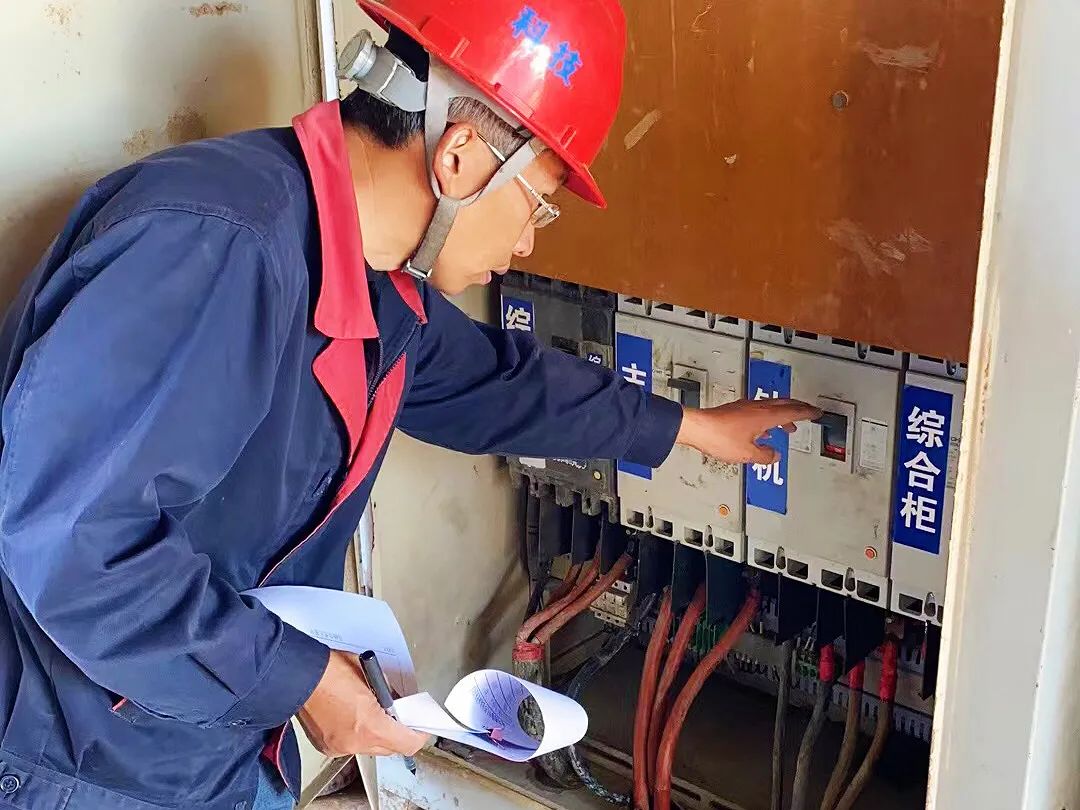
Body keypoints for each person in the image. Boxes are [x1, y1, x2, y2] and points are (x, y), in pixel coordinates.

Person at [0, 2, 819, 808]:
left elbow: (496, 383)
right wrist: (296, 678)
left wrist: (689, 428)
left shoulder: (373, 278)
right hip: (83, 764)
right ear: (460, 156)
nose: (528, 242)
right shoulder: (213, 245)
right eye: (538, 203)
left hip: (212, 736)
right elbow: (72, 545)